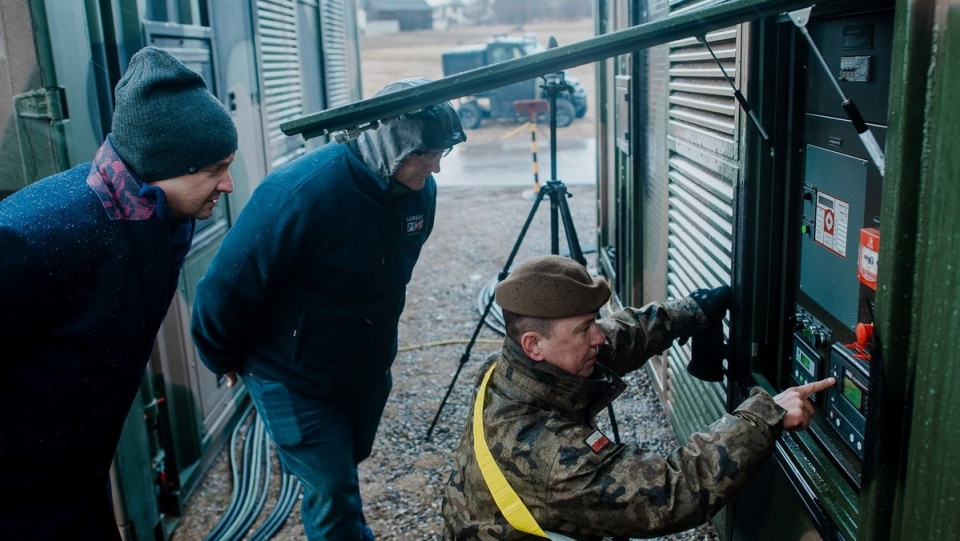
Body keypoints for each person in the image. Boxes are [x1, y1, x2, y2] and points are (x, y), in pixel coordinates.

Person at [190, 77, 466, 541]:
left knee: (345, 468)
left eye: (443, 153)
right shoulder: (302, 192)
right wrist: (220, 355)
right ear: (390, 144)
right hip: (291, 376)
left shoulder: (419, 193)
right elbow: (224, 286)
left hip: (363, 367)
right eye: (425, 154)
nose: (435, 167)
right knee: (331, 490)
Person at [0, 47, 237, 539]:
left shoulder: (155, 216)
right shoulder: (37, 234)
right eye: (215, 169)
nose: (228, 184)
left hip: (77, 478)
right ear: (163, 163)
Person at [442, 255, 835, 540]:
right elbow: (670, 492)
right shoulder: (544, 451)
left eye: (594, 321)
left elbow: (615, 338)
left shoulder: (510, 366)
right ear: (535, 344)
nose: (597, 335)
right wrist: (762, 415)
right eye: (583, 329)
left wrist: (687, 312)